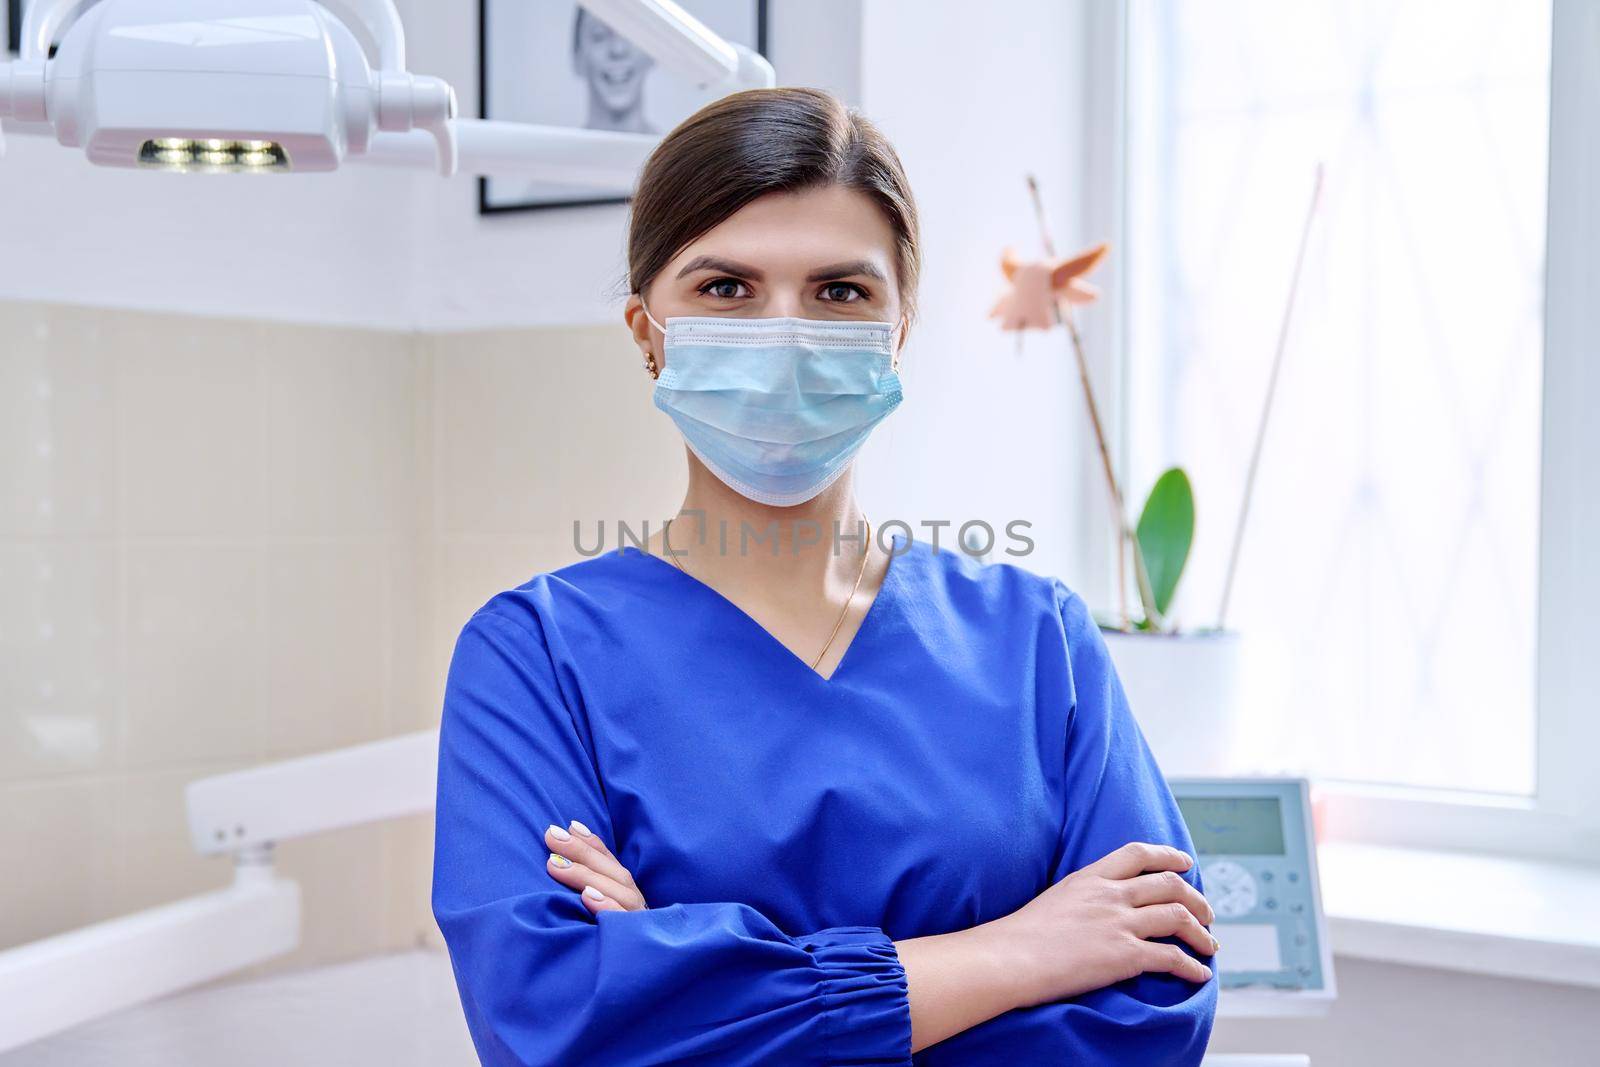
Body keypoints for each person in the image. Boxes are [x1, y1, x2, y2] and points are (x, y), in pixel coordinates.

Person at [431, 86, 1218, 1065]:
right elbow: (554, 1019)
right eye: (726, 289)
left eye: (840, 292)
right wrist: (1018, 949)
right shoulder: (536, 654)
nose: (787, 336)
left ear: (899, 331)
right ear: (646, 331)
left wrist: (681, 978)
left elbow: (1149, 1003)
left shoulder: (1037, 641)